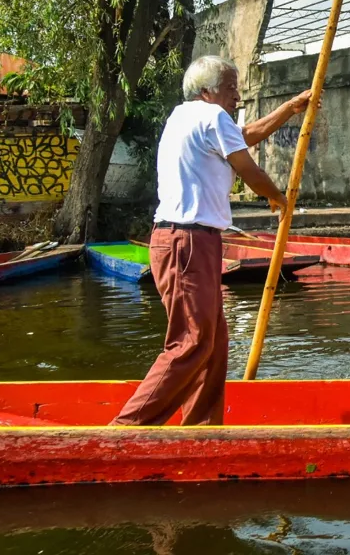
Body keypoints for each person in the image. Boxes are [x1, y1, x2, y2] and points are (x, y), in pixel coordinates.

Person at [112, 56, 313, 426]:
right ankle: (126, 429)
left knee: (214, 344)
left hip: (185, 241)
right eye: (230, 87)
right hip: (187, 241)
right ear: (207, 92)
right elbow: (247, 167)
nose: (237, 95)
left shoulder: (184, 116)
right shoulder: (212, 117)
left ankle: (201, 429)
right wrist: (278, 196)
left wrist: (289, 108)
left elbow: (242, 137)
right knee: (192, 340)